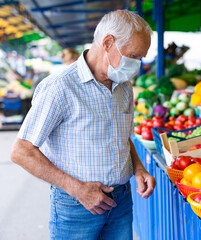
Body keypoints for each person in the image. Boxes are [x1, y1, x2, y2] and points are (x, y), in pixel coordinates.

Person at [10, 10, 156, 240]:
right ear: (108, 43)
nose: (136, 65)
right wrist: (78, 189)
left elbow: (123, 136)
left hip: (122, 201)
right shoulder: (60, 87)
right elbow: (21, 152)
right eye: (134, 56)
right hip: (76, 206)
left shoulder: (124, 87)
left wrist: (138, 168)